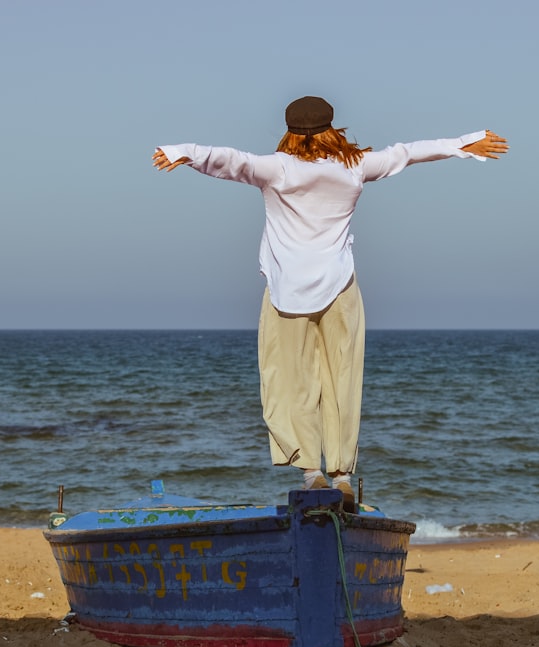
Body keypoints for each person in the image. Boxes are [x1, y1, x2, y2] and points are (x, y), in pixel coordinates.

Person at [153, 96, 508, 512]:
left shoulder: (277, 168)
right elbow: (407, 153)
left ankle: (311, 472)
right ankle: (341, 475)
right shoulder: (355, 166)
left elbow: (230, 161)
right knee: (342, 379)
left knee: (291, 381)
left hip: (287, 294)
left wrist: (183, 153)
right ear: (331, 127)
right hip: (341, 289)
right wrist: (466, 143)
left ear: (290, 131)